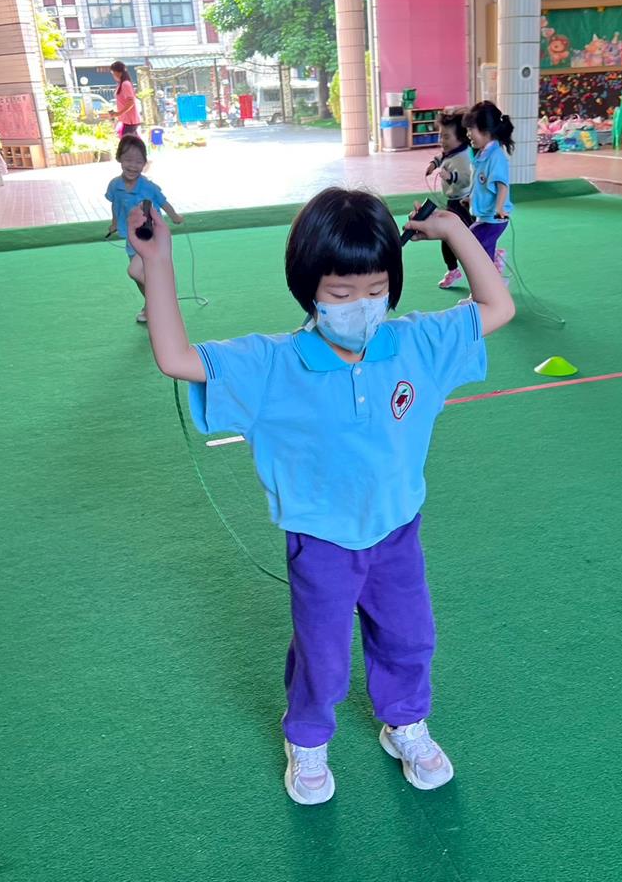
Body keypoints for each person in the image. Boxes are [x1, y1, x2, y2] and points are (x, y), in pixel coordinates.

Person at [127, 186, 514, 806]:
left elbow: (497, 306)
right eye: (340, 293)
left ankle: (405, 723)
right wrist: (158, 263)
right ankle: (306, 738)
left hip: (397, 532)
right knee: (323, 655)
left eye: (376, 289)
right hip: (322, 543)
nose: (361, 306)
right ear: (308, 288)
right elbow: (176, 358)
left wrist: (453, 230)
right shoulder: (272, 365)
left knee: (410, 638)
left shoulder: (417, 343)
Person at [106, 135, 183, 323]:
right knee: (139, 276)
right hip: (131, 238)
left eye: (138, 162)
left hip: (150, 236)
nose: (133, 166)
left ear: (145, 163)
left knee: (134, 271)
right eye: (128, 160)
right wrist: (115, 223)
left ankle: (163, 297)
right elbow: (115, 205)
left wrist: (174, 216)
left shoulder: (148, 187)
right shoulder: (115, 185)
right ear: (119, 158)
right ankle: (151, 306)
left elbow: (163, 202)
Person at [425, 109, 475, 289]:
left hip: (463, 203)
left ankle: (491, 256)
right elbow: (442, 156)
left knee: (472, 238)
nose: (442, 140)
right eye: (441, 135)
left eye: (446, 137)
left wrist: (451, 176)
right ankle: (453, 270)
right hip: (452, 203)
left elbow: (466, 179)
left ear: (461, 138)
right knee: (446, 238)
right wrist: (433, 164)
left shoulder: (464, 157)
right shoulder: (451, 151)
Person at [462, 102, 515, 262]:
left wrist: (499, 209)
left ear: (486, 131)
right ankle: (494, 268)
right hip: (484, 216)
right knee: (482, 252)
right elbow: (482, 185)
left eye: (471, 129)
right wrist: (471, 199)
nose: (468, 134)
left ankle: (495, 264)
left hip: (493, 219)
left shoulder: (496, 156)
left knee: (471, 244)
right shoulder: (482, 154)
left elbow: (502, 186)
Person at [107, 61, 140, 137]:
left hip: (130, 121)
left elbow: (131, 102)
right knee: (132, 142)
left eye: (113, 73)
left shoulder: (125, 84)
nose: (113, 75)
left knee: (127, 142)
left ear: (117, 72)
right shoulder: (121, 84)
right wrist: (117, 114)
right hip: (127, 120)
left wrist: (118, 113)